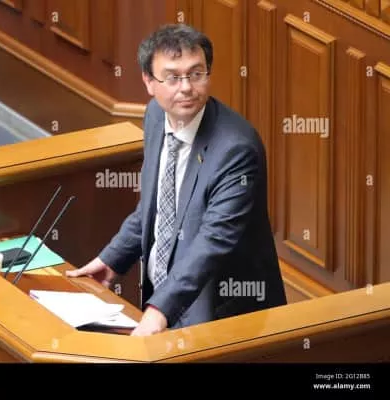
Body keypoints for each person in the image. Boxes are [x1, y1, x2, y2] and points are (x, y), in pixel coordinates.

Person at [66, 23, 287, 336]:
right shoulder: (156, 115)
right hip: (168, 302)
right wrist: (112, 260)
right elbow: (155, 206)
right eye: (172, 77)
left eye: (196, 74)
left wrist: (159, 311)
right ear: (148, 81)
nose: (186, 88)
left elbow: (213, 240)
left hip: (221, 316)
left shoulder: (235, 149)